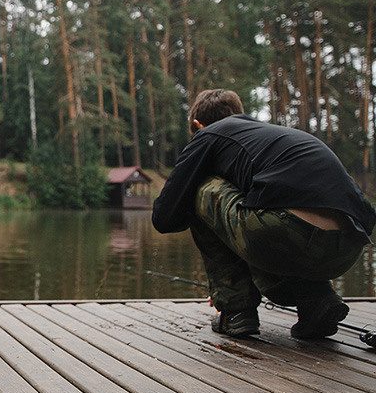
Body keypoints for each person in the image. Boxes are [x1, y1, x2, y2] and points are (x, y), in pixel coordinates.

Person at [152, 88, 375, 338]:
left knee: (200, 188)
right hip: (348, 248)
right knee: (257, 211)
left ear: (198, 125)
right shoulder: (274, 138)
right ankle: (318, 300)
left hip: (285, 232)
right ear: (241, 115)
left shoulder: (208, 134)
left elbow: (163, 217)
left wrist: (223, 284)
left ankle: (236, 309)